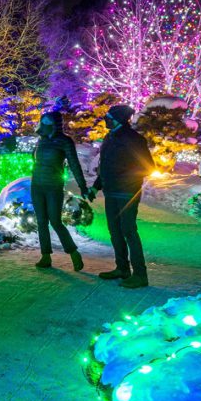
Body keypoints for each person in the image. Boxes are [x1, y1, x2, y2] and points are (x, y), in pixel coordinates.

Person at [84, 105, 156, 289]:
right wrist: (95, 188)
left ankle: (140, 275)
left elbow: (148, 166)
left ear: (117, 119)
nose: (105, 119)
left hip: (127, 193)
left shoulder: (133, 139)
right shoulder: (110, 137)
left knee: (129, 231)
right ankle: (122, 268)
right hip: (111, 191)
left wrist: (123, 179)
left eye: (108, 116)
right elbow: (105, 166)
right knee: (115, 231)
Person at [30, 111, 88, 271]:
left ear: (55, 124)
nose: (44, 126)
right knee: (41, 222)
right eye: (43, 122)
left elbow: (75, 164)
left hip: (53, 186)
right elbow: (35, 160)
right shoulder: (40, 140)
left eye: (48, 123)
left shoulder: (65, 141)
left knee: (55, 221)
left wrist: (83, 186)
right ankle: (45, 256)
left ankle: (73, 252)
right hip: (37, 185)